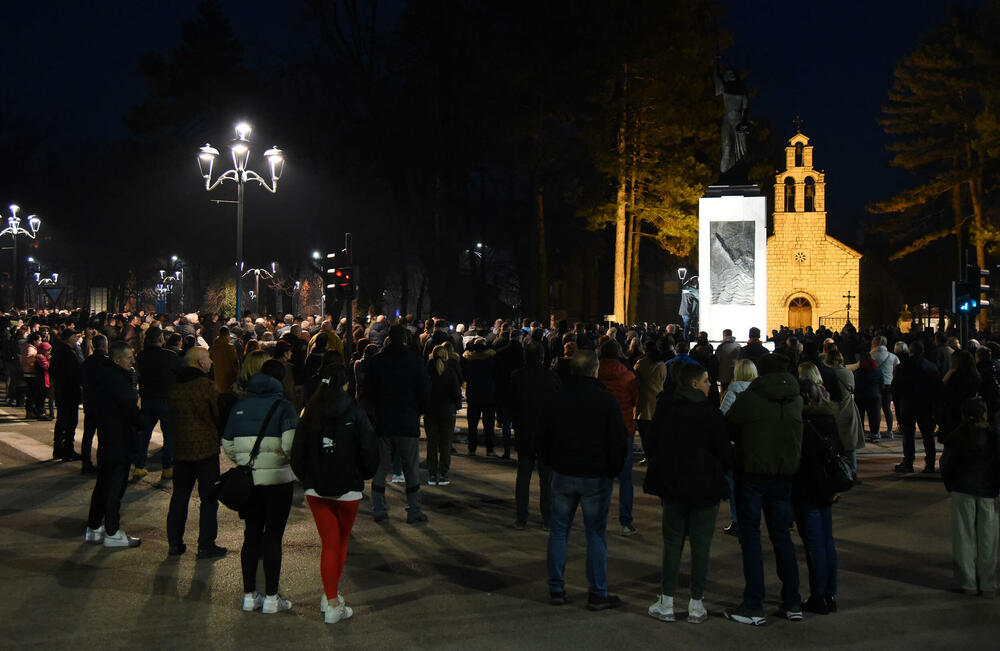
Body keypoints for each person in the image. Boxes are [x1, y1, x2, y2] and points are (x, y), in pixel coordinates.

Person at [540, 350, 629, 611]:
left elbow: (544, 436)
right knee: (595, 535)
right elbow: (618, 441)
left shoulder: (557, 398)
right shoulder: (606, 400)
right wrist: (611, 470)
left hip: (564, 473)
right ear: (595, 369)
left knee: (558, 532)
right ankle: (597, 592)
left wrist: (552, 462)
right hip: (595, 476)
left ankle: (556, 588)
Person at [291, 363, 379, 624]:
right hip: (348, 489)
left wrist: (306, 477)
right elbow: (369, 449)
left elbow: (298, 453)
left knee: (329, 543)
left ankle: (331, 596)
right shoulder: (355, 410)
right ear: (345, 384)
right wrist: (362, 475)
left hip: (317, 488)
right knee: (339, 542)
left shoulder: (310, 411)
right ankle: (331, 601)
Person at [644, 362, 732, 623]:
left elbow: (651, 445)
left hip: (673, 487)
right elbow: (726, 455)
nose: (709, 385)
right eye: (706, 380)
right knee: (701, 546)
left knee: (672, 543)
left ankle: (667, 601)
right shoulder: (711, 415)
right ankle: (696, 603)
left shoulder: (667, 411)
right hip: (705, 489)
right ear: (694, 384)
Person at [724, 353, 804, 626]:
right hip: (785, 474)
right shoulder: (795, 398)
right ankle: (792, 600)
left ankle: (753, 603)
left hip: (753, 474)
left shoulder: (751, 399)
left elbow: (730, 427)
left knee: (751, 538)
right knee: (782, 536)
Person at [223, 360, 299, 614]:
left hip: (250, 482)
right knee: (273, 538)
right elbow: (290, 446)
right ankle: (271, 598)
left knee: (251, 535)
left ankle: (248, 595)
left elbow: (228, 443)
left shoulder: (239, 408)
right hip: (278, 482)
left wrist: (244, 462)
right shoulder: (285, 408)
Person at [365, 325, 430, 524]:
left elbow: (368, 392)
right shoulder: (415, 362)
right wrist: (418, 411)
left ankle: (379, 509)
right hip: (407, 420)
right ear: (404, 339)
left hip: (383, 420)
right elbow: (424, 392)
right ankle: (413, 510)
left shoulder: (376, 362)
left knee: (381, 467)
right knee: (410, 468)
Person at [166, 347, 225, 559]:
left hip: (181, 449)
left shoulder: (175, 387)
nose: (210, 362)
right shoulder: (206, 386)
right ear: (200, 362)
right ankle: (205, 544)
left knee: (179, 495)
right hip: (206, 449)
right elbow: (218, 415)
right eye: (208, 358)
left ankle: (174, 542)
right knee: (209, 498)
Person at [940, 398, 999, 598]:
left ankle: (967, 582)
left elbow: (947, 465)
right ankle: (988, 583)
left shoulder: (957, 436)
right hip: (988, 492)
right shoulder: (993, 437)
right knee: (988, 540)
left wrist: (951, 486)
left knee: (963, 537)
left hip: (962, 490)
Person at [85, 341, 142, 548]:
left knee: (103, 484)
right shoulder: (118, 379)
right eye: (128, 358)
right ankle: (112, 531)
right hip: (119, 439)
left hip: (108, 438)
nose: (132, 361)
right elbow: (130, 407)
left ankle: (93, 527)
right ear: (117, 360)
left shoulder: (103, 378)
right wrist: (140, 422)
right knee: (114, 488)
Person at [792, 380, 842, 615]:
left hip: (806, 488)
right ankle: (830, 593)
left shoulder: (801, 423)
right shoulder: (829, 419)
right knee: (827, 541)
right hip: (826, 487)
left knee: (814, 545)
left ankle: (818, 595)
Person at [511, 342, 559, 530]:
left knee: (523, 477)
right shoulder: (550, 377)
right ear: (541, 356)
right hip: (545, 433)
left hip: (525, 431)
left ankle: (521, 518)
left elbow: (512, 403)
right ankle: (547, 518)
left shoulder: (517, 376)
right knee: (546, 480)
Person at [597, 339, 639, 536]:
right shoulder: (628, 376)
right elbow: (635, 399)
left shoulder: (595, 373)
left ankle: (600, 519)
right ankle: (625, 521)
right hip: (624, 429)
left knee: (604, 477)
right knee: (625, 479)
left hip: (601, 430)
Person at [134, 326, 178, 482]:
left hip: (148, 398)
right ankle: (167, 468)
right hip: (166, 399)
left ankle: (139, 466)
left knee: (144, 434)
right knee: (169, 435)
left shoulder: (141, 356)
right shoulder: (170, 356)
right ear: (161, 339)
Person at [719, 358, 758, 536]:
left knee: (734, 485)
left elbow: (723, 416)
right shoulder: (760, 392)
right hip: (755, 444)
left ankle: (737, 520)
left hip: (735, 446)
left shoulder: (733, 392)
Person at [892, 341, 941, 474]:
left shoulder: (902, 367)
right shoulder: (931, 367)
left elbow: (896, 390)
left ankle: (908, 462)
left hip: (908, 405)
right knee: (927, 436)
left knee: (908, 435)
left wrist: (898, 408)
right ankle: (930, 464)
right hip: (926, 405)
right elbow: (937, 389)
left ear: (910, 351)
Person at [425, 342, 462, 486]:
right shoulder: (450, 371)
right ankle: (443, 473)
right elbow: (456, 393)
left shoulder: (427, 372)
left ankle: (432, 474)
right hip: (447, 411)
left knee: (432, 443)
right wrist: (456, 407)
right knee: (446, 444)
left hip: (431, 411)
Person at [50, 328, 83, 461]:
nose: (77, 340)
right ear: (69, 338)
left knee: (61, 421)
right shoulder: (69, 353)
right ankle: (68, 450)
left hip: (61, 391)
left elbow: (52, 370)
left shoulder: (57, 351)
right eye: (75, 337)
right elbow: (76, 373)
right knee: (70, 423)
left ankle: (58, 449)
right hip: (70, 391)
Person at [461, 338, 497, 456]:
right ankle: (490, 449)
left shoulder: (468, 359)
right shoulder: (491, 359)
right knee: (489, 425)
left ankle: (472, 448)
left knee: (472, 424)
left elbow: (465, 375)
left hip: (473, 394)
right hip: (488, 395)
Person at [80, 334, 109, 473]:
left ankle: (86, 462)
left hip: (90, 401)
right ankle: (102, 462)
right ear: (105, 345)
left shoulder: (87, 361)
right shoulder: (107, 362)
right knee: (103, 436)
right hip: (103, 404)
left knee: (88, 434)